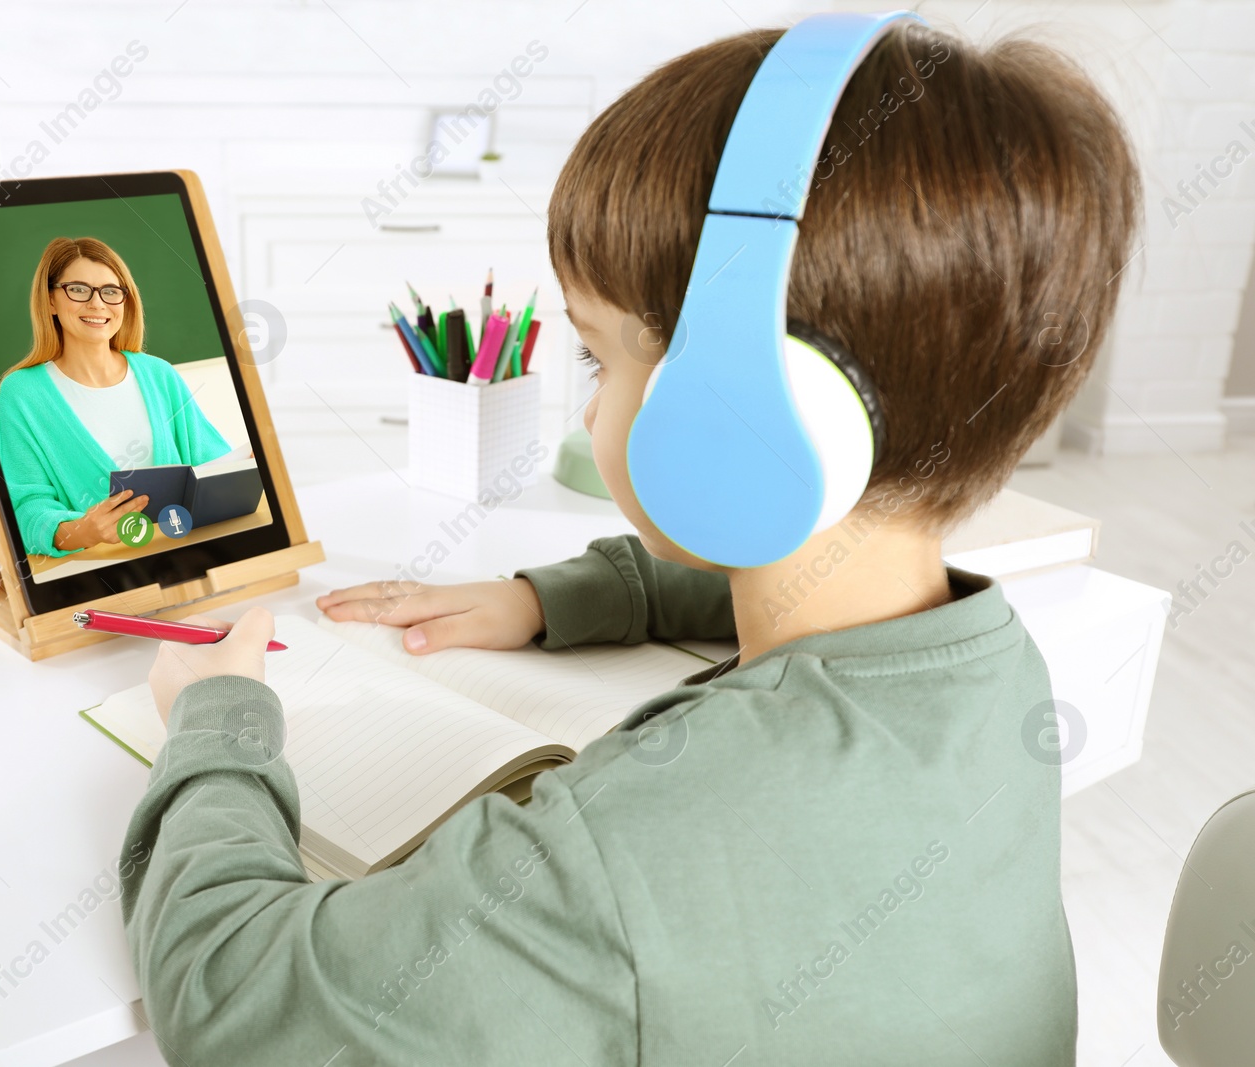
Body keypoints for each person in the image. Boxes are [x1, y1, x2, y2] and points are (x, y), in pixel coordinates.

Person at [120, 19, 1139, 1065]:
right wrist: (554, 595)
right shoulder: (988, 657)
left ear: (738, 405)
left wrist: (216, 727)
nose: (589, 403)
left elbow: (238, 1001)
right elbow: (800, 569)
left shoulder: (625, 848)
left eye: (594, 355)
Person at [0, 236, 230, 556]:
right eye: (78, 289)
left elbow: (211, 464)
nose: (97, 304)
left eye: (111, 291)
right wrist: (82, 531)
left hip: (185, 554)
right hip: (98, 573)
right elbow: (22, 509)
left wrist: (245, 467)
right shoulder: (22, 394)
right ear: (50, 301)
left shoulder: (159, 374)